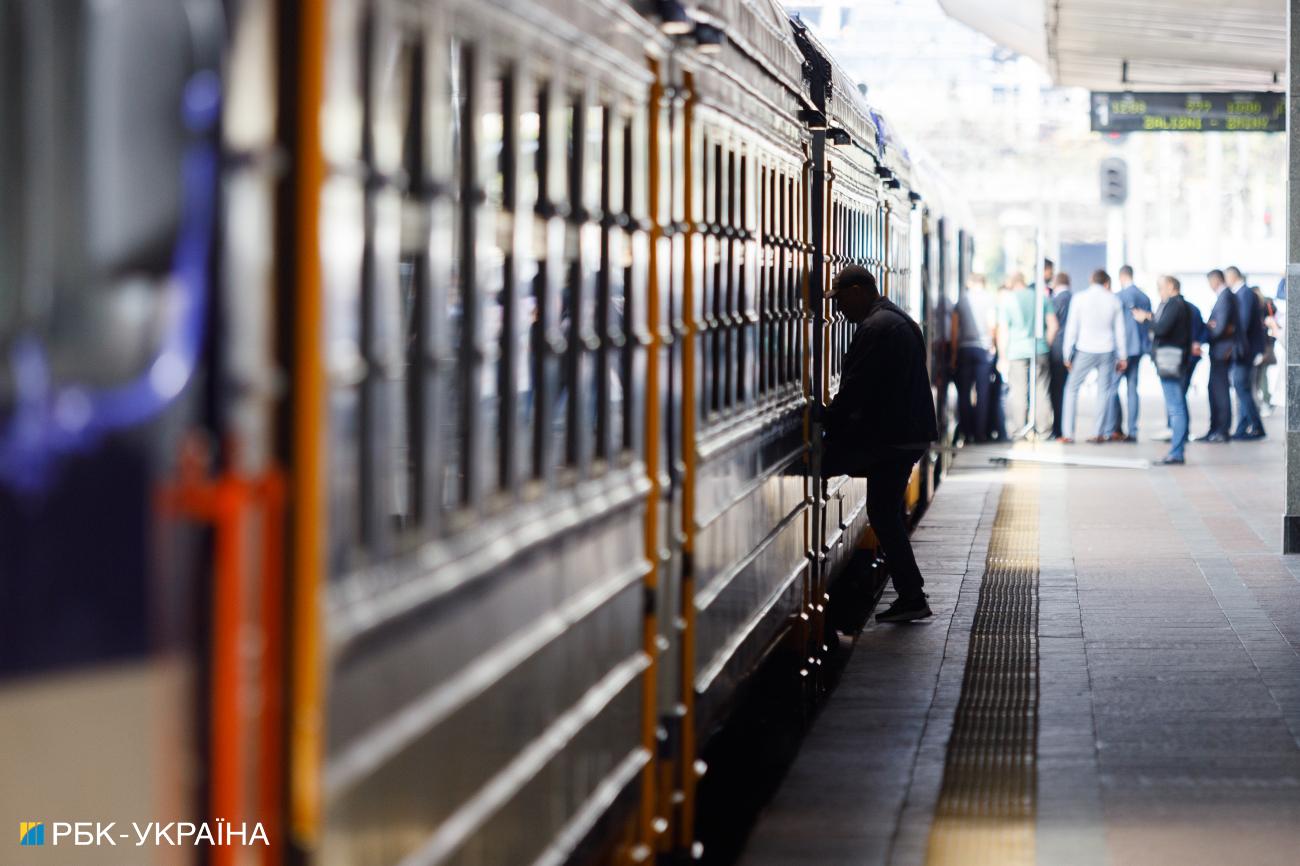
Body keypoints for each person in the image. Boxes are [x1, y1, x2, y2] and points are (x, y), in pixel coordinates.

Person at [822, 265, 939, 624]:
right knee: (883, 511)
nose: (839, 309)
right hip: (903, 433)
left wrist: (824, 418)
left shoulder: (877, 327)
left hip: (895, 437)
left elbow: (858, 389)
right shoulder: (893, 319)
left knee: (882, 512)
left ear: (858, 291)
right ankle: (911, 592)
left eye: (840, 299)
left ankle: (912, 596)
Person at [1060, 270, 1127, 443]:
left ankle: (1068, 433)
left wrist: (1067, 354)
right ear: (1106, 283)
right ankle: (1098, 432)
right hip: (1107, 349)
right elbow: (1120, 331)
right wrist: (1123, 356)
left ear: (1091, 280)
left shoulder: (1079, 298)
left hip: (1085, 348)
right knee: (1103, 391)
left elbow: (1072, 328)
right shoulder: (1114, 299)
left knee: (1071, 388)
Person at [996, 271, 1058, 439]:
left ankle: (1019, 431)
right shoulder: (1041, 298)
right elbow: (1053, 326)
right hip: (1040, 349)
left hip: (1016, 351)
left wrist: (1002, 357)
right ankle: (1044, 430)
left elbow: (1003, 331)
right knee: (1042, 390)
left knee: (1018, 392)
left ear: (1011, 284)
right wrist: (1046, 344)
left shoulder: (1007, 301)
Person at [1151, 276, 1193, 464]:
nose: (1160, 291)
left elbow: (1161, 329)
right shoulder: (1182, 305)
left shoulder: (1175, 306)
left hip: (1171, 362)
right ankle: (1177, 449)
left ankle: (1176, 451)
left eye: (1161, 287)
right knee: (1178, 405)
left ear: (1170, 286)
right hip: (1177, 360)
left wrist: (1148, 319)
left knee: (1176, 408)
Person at [1108, 265, 1152, 442]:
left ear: (1121, 277)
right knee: (1133, 389)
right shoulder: (1145, 297)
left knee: (1112, 388)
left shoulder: (1118, 297)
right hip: (1139, 348)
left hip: (1123, 350)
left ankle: (1113, 428)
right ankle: (1132, 430)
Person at [953, 274, 998, 443]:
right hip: (983, 349)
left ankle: (966, 432)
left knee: (964, 393)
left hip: (964, 348)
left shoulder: (962, 300)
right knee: (983, 393)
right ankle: (980, 433)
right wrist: (992, 344)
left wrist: (954, 354)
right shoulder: (989, 299)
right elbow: (992, 325)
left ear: (970, 283)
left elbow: (954, 328)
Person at [1226, 266, 1266, 439]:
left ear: (1232, 276)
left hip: (1245, 351)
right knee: (1241, 388)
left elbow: (1243, 323)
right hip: (1244, 350)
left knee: (1242, 388)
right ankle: (1242, 428)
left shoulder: (1245, 294)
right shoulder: (1242, 294)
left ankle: (1257, 426)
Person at [1198, 269, 1234, 442]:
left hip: (1222, 351)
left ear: (1215, 280)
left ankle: (1221, 430)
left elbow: (1219, 327)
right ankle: (1215, 429)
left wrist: (1210, 328)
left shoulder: (1226, 296)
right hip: (1218, 351)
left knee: (1220, 391)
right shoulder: (1224, 296)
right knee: (1214, 389)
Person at [1048, 272, 1074, 439]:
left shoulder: (1054, 301)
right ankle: (1067, 428)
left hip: (1057, 350)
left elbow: (1052, 324)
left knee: (1056, 391)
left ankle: (1058, 429)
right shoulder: (1076, 299)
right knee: (1069, 390)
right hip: (1073, 350)